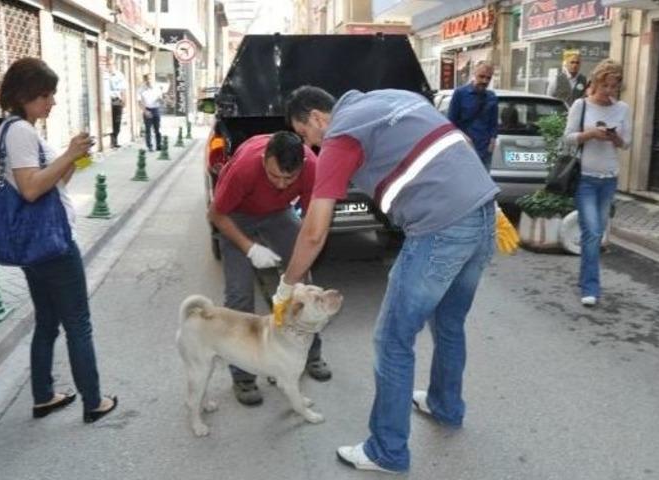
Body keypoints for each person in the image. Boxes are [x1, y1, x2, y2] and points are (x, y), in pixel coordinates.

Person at [278, 86, 498, 474]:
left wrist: (287, 284)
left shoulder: (340, 136)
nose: (308, 144)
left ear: (316, 117)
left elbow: (314, 232)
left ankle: (387, 451)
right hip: (483, 216)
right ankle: (445, 405)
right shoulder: (393, 97)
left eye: (304, 134)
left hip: (440, 230)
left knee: (392, 341)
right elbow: (458, 140)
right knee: (448, 324)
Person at [0, 57, 117, 422]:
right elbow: (32, 189)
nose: (51, 103)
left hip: (41, 243)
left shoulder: (19, 129)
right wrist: (68, 154)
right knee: (77, 322)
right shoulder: (19, 131)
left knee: (48, 321)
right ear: (24, 95)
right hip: (52, 243)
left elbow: (52, 184)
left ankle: (44, 395)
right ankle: (93, 402)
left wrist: (73, 159)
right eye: (45, 95)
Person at [207, 131, 332, 406]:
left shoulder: (311, 166)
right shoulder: (245, 168)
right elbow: (215, 213)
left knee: (303, 285)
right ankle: (243, 375)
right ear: (265, 159)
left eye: (289, 178)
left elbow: (314, 223)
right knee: (239, 296)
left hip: (277, 214)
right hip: (236, 215)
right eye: (275, 176)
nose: (281, 183)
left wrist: (293, 276)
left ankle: (310, 353)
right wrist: (249, 248)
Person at [563, 59, 631, 308]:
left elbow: (628, 143)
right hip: (586, 179)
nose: (609, 92)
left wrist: (615, 138)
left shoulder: (622, 108)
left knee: (596, 234)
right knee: (591, 233)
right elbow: (567, 138)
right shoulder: (581, 106)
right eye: (605, 87)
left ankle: (584, 279)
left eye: (614, 87)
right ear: (595, 83)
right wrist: (590, 134)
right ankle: (591, 287)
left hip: (609, 178)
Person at [447, 60, 498, 171]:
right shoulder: (460, 94)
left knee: (483, 185)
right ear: (474, 74)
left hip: (485, 151)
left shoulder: (492, 97)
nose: (485, 81)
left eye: (488, 78)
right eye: (481, 76)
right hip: (464, 149)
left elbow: (494, 124)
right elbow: (451, 122)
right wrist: (464, 138)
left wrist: (493, 141)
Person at [137, 74, 163, 152]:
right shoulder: (141, 90)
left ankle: (158, 145)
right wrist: (145, 111)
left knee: (157, 129)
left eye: (150, 79)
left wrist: (161, 100)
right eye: (147, 79)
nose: (149, 81)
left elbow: (160, 99)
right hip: (147, 109)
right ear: (144, 80)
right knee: (148, 130)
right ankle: (150, 146)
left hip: (156, 109)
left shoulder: (157, 88)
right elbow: (139, 102)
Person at [105, 58, 126, 148]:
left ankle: (115, 140)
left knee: (117, 121)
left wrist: (124, 101)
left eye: (112, 64)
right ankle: (110, 140)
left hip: (116, 100)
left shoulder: (119, 75)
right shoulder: (104, 75)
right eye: (109, 64)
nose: (110, 66)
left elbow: (123, 89)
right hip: (106, 101)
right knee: (109, 121)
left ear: (115, 65)